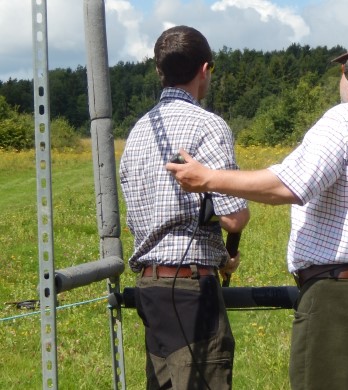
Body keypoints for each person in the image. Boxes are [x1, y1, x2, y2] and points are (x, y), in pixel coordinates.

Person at [166, 33, 348, 390]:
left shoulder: (345, 121)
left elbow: (287, 186)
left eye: (344, 68)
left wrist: (208, 178)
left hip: (341, 298)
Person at [119, 25, 250, 390]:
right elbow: (235, 216)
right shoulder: (208, 126)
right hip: (190, 291)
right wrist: (228, 245)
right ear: (204, 70)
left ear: (160, 71)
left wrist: (221, 258)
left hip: (150, 288)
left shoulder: (138, 132)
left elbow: (143, 222)